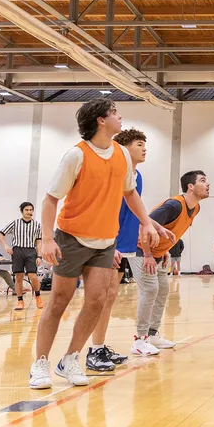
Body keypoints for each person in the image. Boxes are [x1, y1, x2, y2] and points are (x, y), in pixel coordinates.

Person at [29, 99, 172, 389]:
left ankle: (70, 358)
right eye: (115, 113)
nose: (120, 117)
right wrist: (46, 239)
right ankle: (40, 363)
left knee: (96, 301)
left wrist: (146, 221)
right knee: (58, 302)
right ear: (101, 121)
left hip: (105, 242)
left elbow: (130, 194)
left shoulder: (121, 154)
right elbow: (50, 199)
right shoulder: (76, 156)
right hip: (71, 237)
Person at [86, 128, 147, 373]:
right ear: (123, 147)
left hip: (125, 244)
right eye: (138, 143)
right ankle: (93, 350)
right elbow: (106, 209)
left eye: (145, 144)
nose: (144, 148)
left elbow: (134, 209)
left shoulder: (137, 176)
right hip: (107, 243)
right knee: (99, 297)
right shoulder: (114, 172)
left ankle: (99, 345)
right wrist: (109, 243)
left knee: (110, 295)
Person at [133, 170, 209, 356]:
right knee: (150, 290)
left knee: (163, 291)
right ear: (190, 186)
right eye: (203, 181)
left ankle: (152, 335)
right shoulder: (174, 205)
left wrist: (165, 249)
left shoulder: (196, 208)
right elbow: (145, 223)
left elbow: (169, 229)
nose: (207, 185)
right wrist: (148, 253)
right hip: (141, 251)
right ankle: (139, 339)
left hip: (159, 253)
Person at [0, 202, 44, 312]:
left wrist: (39, 256)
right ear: (22, 211)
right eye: (27, 210)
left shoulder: (37, 225)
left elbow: (39, 242)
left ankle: (37, 295)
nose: (29, 212)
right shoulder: (15, 223)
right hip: (18, 250)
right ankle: (20, 300)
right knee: (19, 277)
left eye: (31, 210)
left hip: (30, 251)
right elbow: (0, 234)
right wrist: (6, 246)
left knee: (33, 275)